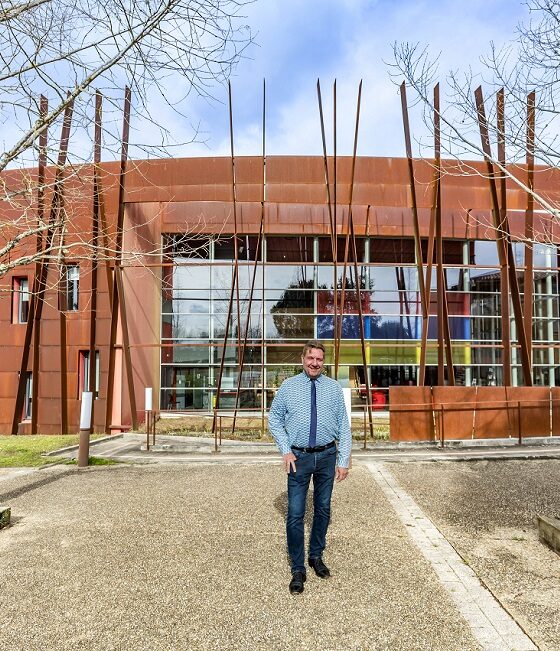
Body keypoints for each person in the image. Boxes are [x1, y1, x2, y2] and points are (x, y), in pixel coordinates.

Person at [268, 339, 351, 595]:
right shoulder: (289, 387)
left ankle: (316, 556)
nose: (315, 363)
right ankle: (297, 568)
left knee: (323, 509)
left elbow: (344, 426)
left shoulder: (334, 389)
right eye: (310, 358)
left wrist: (344, 459)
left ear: (323, 362)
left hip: (327, 456)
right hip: (299, 459)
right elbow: (274, 418)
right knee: (295, 514)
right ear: (303, 359)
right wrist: (285, 450)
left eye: (319, 359)